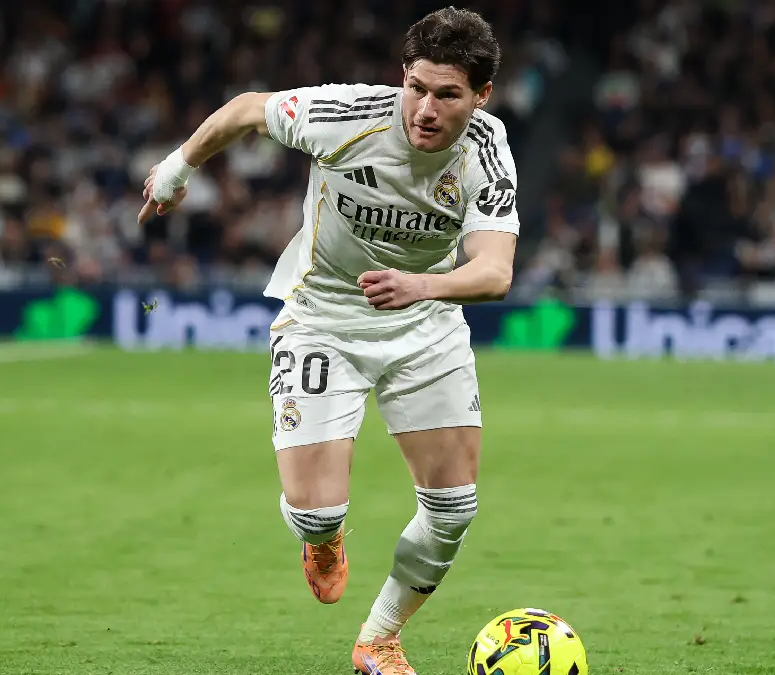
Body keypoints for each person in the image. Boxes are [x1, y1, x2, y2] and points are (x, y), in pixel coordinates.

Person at [138, 7, 519, 674]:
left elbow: (494, 272)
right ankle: (321, 538)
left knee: (454, 508)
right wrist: (177, 168)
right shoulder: (346, 113)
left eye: (448, 94)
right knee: (317, 512)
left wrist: (419, 287)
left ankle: (379, 640)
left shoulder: (485, 147)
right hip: (322, 316)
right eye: (416, 86)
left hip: (423, 322)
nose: (425, 109)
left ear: (481, 95)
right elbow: (249, 110)